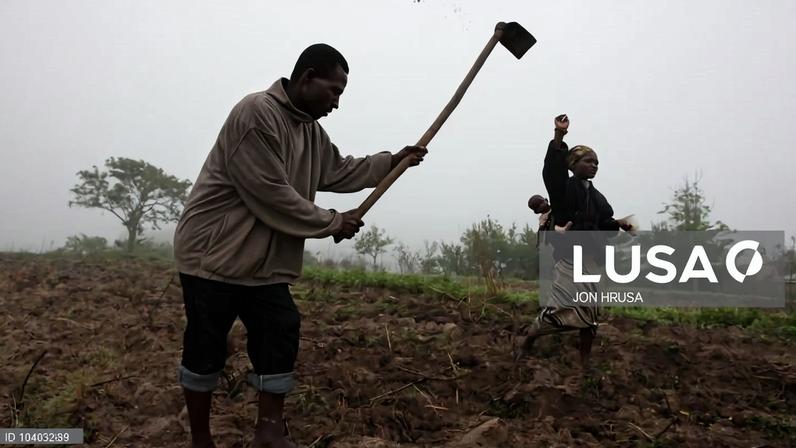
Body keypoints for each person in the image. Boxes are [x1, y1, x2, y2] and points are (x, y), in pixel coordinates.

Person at [173, 44, 427, 448]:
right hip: (214, 256)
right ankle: (201, 439)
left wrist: (392, 161)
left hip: (265, 261)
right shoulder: (256, 114)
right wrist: (332, 222)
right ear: (307, 78)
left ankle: (269, 433)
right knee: (206, 344)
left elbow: (340, 170)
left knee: (280, 331)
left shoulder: (309, 129)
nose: (337, 103)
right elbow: (269, 191)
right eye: (333, 90)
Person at [517, 114, 631, 368]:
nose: (594, 166)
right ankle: (528, 340)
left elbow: (603, 224)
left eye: (597, 162)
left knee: (590, 313)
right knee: (558, 308)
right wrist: (559, 136)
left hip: (593, 261)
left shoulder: (598, 197)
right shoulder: (563, 190)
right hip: (569, 259)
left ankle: (585, 360)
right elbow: (552, 172)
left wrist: (619, 224)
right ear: (573, 164)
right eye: (588, 161)